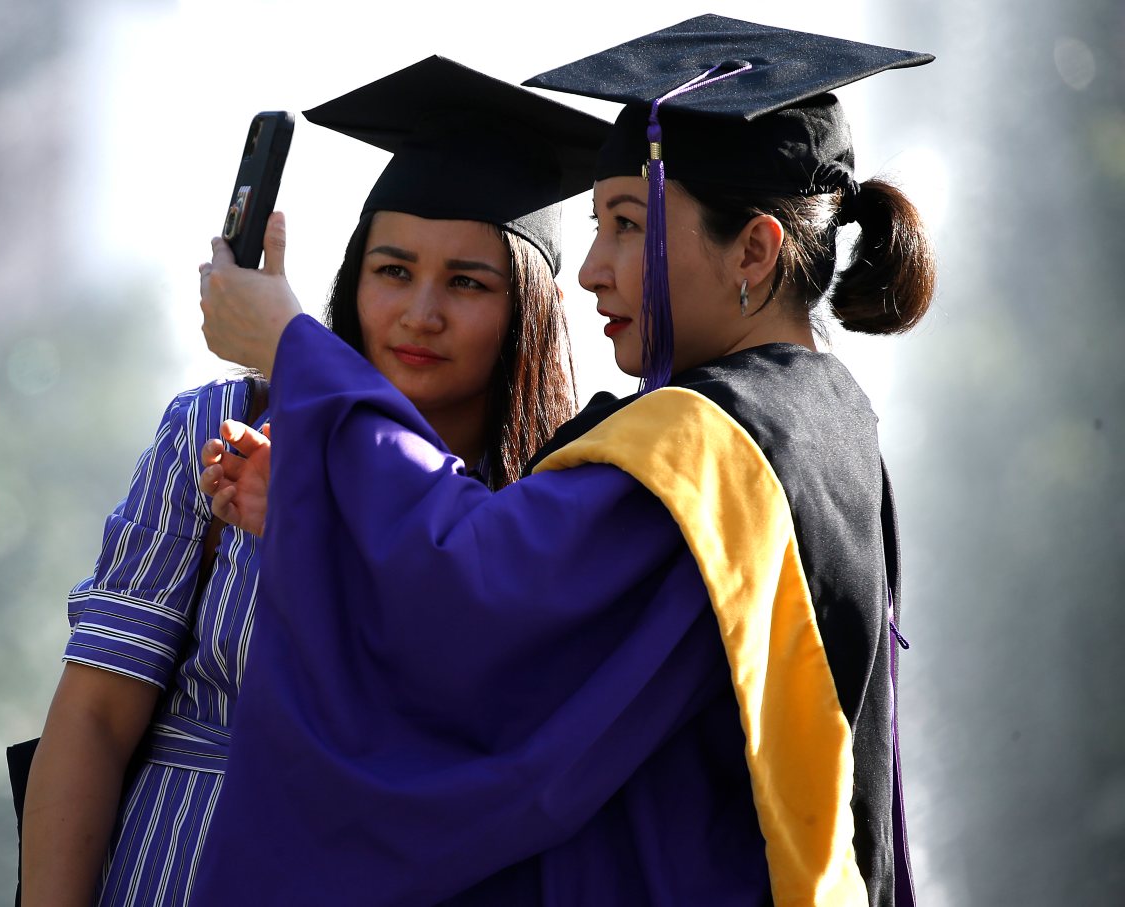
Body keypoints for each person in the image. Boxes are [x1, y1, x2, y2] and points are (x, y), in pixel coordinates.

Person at [192, 15, 936, 907]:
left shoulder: (709, 453)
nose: (590, 270)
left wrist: (295, 352)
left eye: (628, 224)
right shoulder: (824, 426)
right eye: (595, 226)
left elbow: (470, 597)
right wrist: (316, 507)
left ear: (755, 249)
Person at [18, 56, 607, 907]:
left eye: (467, 283)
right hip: (170, 872)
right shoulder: (222, 428)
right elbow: (94, 716)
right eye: (393, 270)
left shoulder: (539, 514)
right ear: (352, 278)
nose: (421, 313)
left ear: (528, 309)